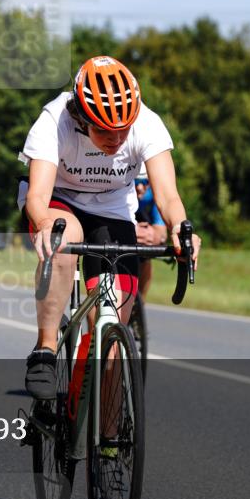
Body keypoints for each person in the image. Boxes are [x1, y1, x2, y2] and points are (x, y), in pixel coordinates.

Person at [18, 55, 201, 400]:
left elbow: (168, 196)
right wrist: (43, 223)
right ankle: (45, 349)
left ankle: (96, 416)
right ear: (81, 117)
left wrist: (179, 227)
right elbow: (37, 196)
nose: (116, 139)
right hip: (59, 199)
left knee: (113, 328)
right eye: (103, 130)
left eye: (123, 130)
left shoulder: (147, 123)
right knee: (64, 238)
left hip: (112, 208)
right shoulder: (54, 120)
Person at [130, 173, 168, 345]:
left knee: (147, 255)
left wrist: (153, 236)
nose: (140, 187)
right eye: (136, 182)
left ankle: (139, 305)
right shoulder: (119, 187)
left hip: (145, 221)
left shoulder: (153, 193)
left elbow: (161, 233)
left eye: (145, 182)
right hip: (120, 216)